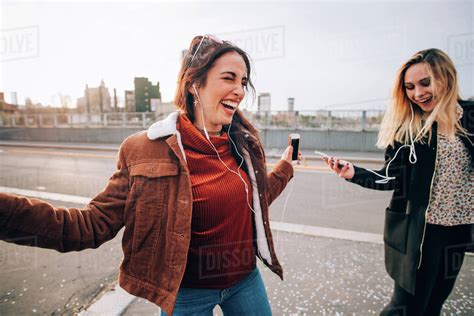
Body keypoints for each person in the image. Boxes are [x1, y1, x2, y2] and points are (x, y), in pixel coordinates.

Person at [0, 35, 301, 315]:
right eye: (228, 78)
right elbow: (90, 226)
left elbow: (256, 198)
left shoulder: (245, 145)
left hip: (246, 281)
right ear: (194, 83)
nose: (239, 89)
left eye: (243, 81)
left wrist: (286, 168)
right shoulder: (143, 149)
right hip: (187, 293)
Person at [325, 48, 473, 315]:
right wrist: (353, 173)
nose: (418, 93)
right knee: (405, 308)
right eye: (410, 87)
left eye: (425, 83)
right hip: (420, 234)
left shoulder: (471, 118)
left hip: (458, 233)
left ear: (446, 77)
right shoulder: (410, 130)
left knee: (434, 305)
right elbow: (391, 177)